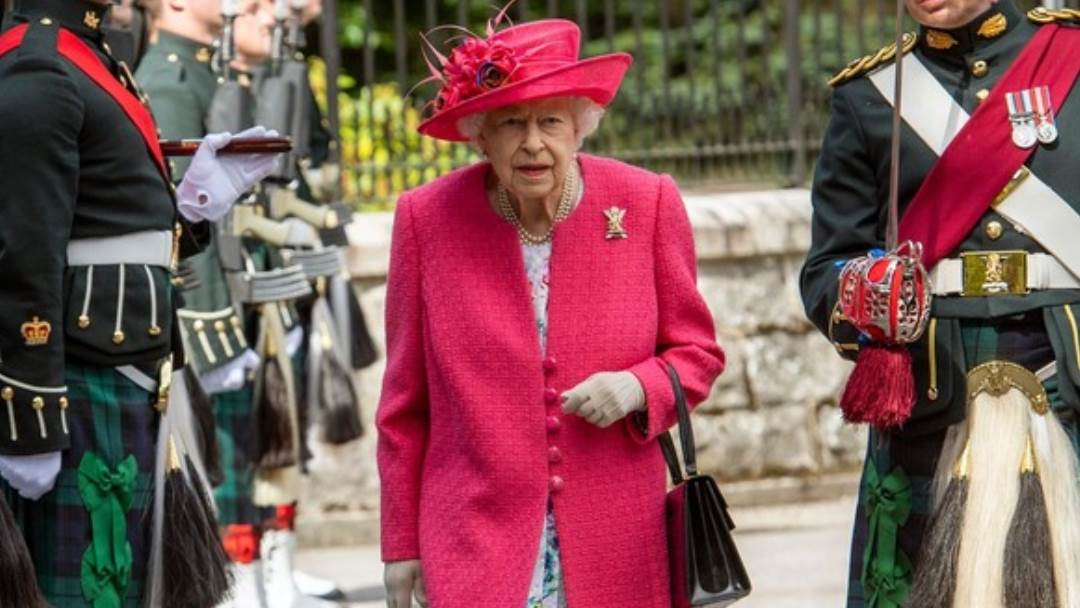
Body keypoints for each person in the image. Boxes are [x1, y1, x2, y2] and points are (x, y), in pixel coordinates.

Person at [377, 12, 725, 608]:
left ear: (580, 128)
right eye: (512, 123)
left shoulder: (646, 203)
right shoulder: (425, 220)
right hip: (473, 537)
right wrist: (400, 543)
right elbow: (403, 406)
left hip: (618, 536)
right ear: (480, 136)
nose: (534, 143)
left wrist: (638, 387)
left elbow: (698, 355)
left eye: (551, 122)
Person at [802, 1, 1080, 606]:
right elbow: (826, 270)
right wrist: (865, 295)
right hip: (932, 394)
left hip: (1069, 381)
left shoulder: (1071, 57)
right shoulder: (868, 96)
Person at [0, 0, 278, 605]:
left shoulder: (90, 56)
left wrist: (196, 203)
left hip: (125, 366)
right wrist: (29, 417)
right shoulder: (38, 64)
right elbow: (24, 250)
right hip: (77, 381)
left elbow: (108, 223)